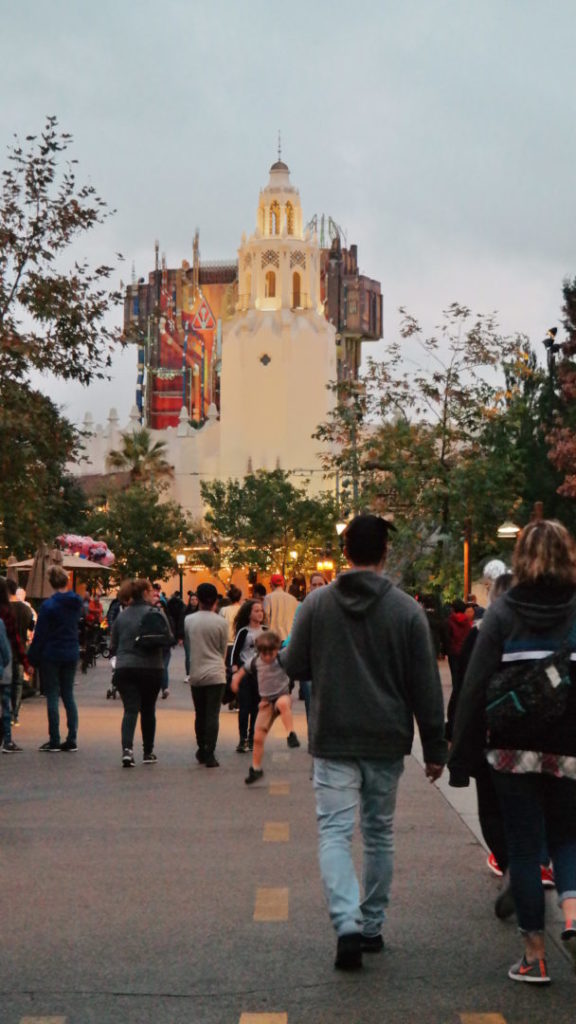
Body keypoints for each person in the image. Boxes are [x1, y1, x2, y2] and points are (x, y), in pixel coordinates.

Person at [283, 514, 447, 970]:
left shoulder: (315, 605)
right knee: (378, 834)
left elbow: (294, 664)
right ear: (385, 554)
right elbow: (425, 686)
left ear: (345, 553)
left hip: (334, 735)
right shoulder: (407, 611)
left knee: (334, 832)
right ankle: (372, 925)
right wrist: (435, 748)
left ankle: (346, 923)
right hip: (386, 738)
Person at [449, 519, 576, 985]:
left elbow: (475, 688)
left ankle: (534, 957)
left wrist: (459, 757)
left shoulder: (502, 614)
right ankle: (574, 916)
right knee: (568, 836)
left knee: (524, 849)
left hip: (510, 748)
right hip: (569, 745)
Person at [109, 578, 170, 767]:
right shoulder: (156, 613)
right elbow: (168, 638)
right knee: (148, 709)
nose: (153, 593)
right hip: (152, 667)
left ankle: (127, 749)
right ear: (144, 593)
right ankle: (148, 751)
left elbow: (113, 644)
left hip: (126, 667)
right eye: (151, 590)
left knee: (130, 709)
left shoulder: (122, 616)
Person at [232, 630, 300, 785]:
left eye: (272, 653)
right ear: (259, 651)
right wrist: (235, 680)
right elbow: (243, 670)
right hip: (266, 702)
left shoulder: (283, 658)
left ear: (277, 649)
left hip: (282, 695)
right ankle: (256, 769)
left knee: (282, 704)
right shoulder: (256, 660)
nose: (268, 657)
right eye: (265, 654)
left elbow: (297, 659)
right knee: (258, 737)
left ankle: (291, 734)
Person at [28, 566, 83, 752]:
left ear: (51, 583)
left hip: (51, 652)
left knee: (52, 695)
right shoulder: (76, 603)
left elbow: (41, 634)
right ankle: (72, 737)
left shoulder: (49, 606)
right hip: (71, 650)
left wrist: (32, 658)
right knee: (68, 694)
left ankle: (54, 739)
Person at [185, 582, 228, 768]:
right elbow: (222, 648)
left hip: (196, 670)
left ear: (198, 599)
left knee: (199, 713)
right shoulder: (221, 622)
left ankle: (201, 747)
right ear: (215, 600)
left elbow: (189, 642)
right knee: (213, 714)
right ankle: (210, 752)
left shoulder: (189, 620)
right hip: (215, 672)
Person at [230, 599, 266, 752]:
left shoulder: (266, 630)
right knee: (244, 707)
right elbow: (235, 652)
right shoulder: (243, 632)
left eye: (261, 610)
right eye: (256, 611)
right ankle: (242, 738)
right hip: (245, 673)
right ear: (249, 614)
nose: (260, 613)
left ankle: (253, 738)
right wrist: (234, 670)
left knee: (257, 708)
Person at [6, 578, 34, 728]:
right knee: (17, 683)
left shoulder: (4, 609)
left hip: (5, 651)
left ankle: (6, 713)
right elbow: (31, 625)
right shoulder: (25, 609)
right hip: (21, 648)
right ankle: (14, 715)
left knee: (6, 683)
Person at [263, 573, 298, 641]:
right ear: (283, 584)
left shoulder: (268, 597)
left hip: (273, 637)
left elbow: (266, 616)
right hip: (289, 637)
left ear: (271, 584)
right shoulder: (293, 599)